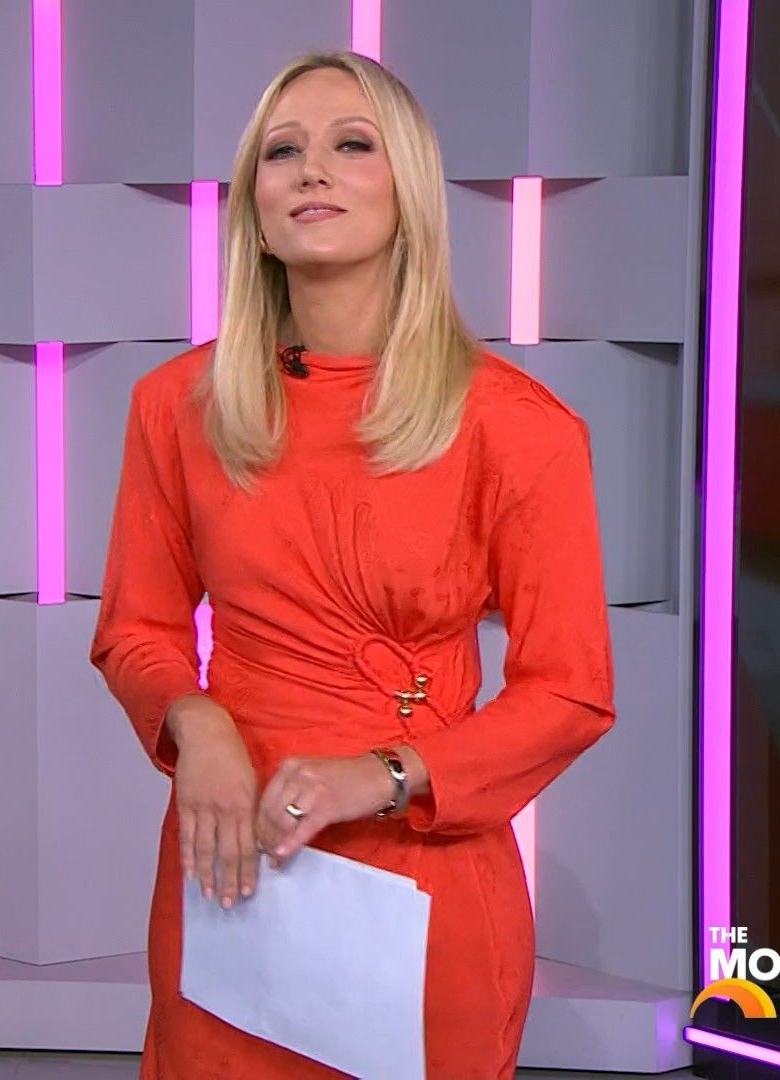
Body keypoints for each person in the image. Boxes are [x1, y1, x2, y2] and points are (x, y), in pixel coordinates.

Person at [90, 52, 616, 1080]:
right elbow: (135, 630)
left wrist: (379, 776)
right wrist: (196, 726)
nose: (311, 171)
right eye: (281, 152)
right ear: (253, 207)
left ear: (407, 190)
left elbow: (570, 692)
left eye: (351, 145)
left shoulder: (519, 427)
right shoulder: (176, 405)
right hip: (231, 864)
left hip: (421, 872)